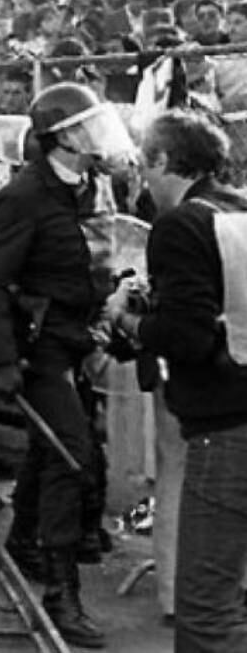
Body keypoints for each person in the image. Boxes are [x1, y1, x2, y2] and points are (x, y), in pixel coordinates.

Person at [0, 82, 135, 649]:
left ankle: (23, 540)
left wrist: (113, 304)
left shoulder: (92, 187)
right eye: (88, 125)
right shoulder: (23, 195)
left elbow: (98, 259)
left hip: (75, 337)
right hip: (35, 346)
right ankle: (62, 593)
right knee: (73, 455)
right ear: (62, 136)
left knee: (54, 448)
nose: (100, 135)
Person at [107, 110, 247, 653]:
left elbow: (186, 337)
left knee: (205, 612)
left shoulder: (182, 224)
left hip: (227, 428)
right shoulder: (237, 212)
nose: (142, 179)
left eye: (146, 164)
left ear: (164, 160)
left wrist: (127, 318)